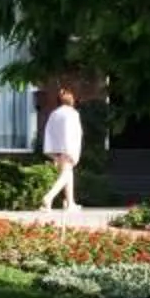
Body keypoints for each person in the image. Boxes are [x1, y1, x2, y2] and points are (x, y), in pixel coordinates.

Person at [39, 86, 84, 215]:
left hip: (56, 148)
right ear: (71, 100)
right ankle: (49, 197)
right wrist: (73, 150)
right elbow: (76, 133)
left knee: (67, 174)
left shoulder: (55, 113)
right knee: (65, 175)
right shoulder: (73, 113)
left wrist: (52, 152)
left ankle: (71, 203)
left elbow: (49, 131)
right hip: (68, 148)